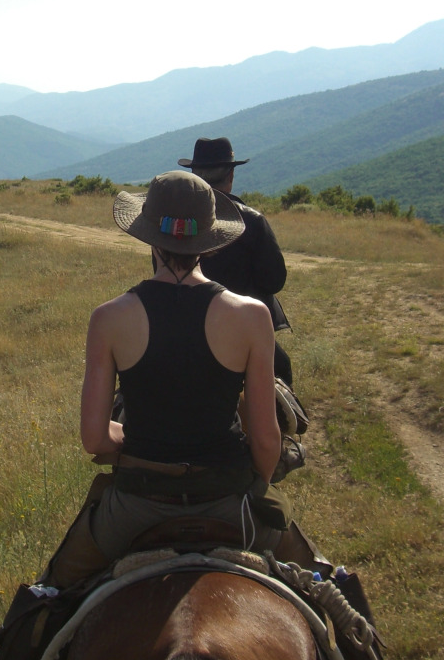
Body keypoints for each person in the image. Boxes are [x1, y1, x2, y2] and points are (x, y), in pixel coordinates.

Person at [39, 169, 325, 590]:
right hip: (231, 506)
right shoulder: (251, 317)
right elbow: (267, 442)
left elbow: (95, 440)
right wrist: (249, 488)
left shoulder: (109, 318)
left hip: (134, 509)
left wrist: (135, 443)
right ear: (210, 241)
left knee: (48, 596)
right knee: (327, 587)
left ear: (149, 237)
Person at [179, 137, 295, 386]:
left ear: (194, 177)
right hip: (242, 326)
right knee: (281, 370)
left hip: (185, 325)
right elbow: (274, 280)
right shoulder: (251, 221)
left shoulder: (176, 224)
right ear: (230, 175)